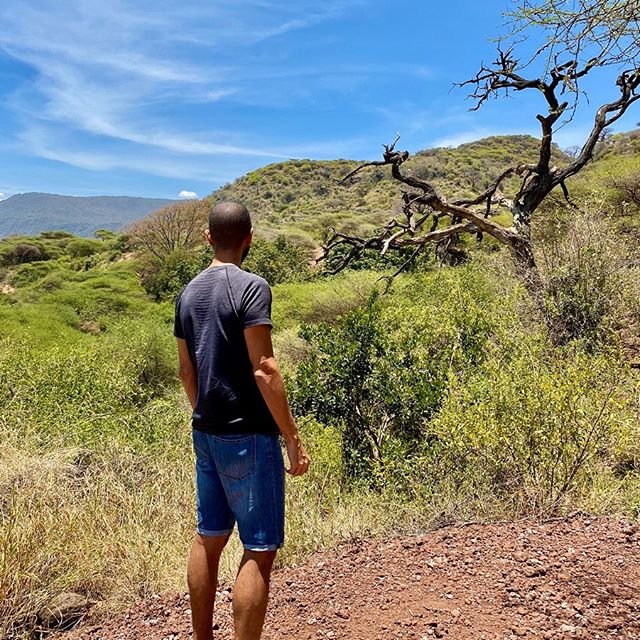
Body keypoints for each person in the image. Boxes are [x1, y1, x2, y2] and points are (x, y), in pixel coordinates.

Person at [174, 201, 311, 640]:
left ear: (209, 237)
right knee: (259, 548)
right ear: (249, 237)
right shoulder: (252, 288)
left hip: (205, 432)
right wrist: (291, 436)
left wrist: (204, 413)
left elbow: (186, 371)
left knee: (208, 538)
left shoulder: (188, 293)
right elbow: (265, 368)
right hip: (250, 435)